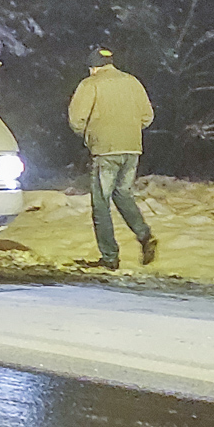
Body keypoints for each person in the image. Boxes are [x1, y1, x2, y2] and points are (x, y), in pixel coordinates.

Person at [68, 47, 157, 269]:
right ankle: (145, 235)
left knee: (101, 203)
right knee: (123, 194)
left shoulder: (90, 84)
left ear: (93, 67)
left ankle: (109, 257)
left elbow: (76, 118)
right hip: (132, 148)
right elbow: (148, 116)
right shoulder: (133, 82)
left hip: (105, 150)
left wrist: (90, 135)